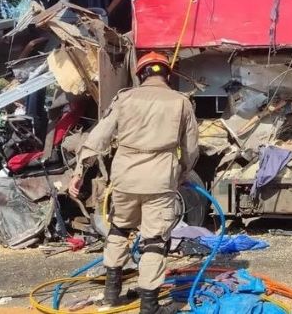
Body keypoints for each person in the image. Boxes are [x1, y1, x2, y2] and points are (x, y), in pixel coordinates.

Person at [68, 52, 198, 314]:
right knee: (154, 241)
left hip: (125, 177)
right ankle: (149, 306)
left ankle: (111, 296)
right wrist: (183, 172)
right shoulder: (181, 102)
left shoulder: (125, 98)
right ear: (167, 75)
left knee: (119, 231)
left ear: (141, 75)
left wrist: (79, 171)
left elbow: (99, 136)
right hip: (159, 180)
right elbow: (191, 148)